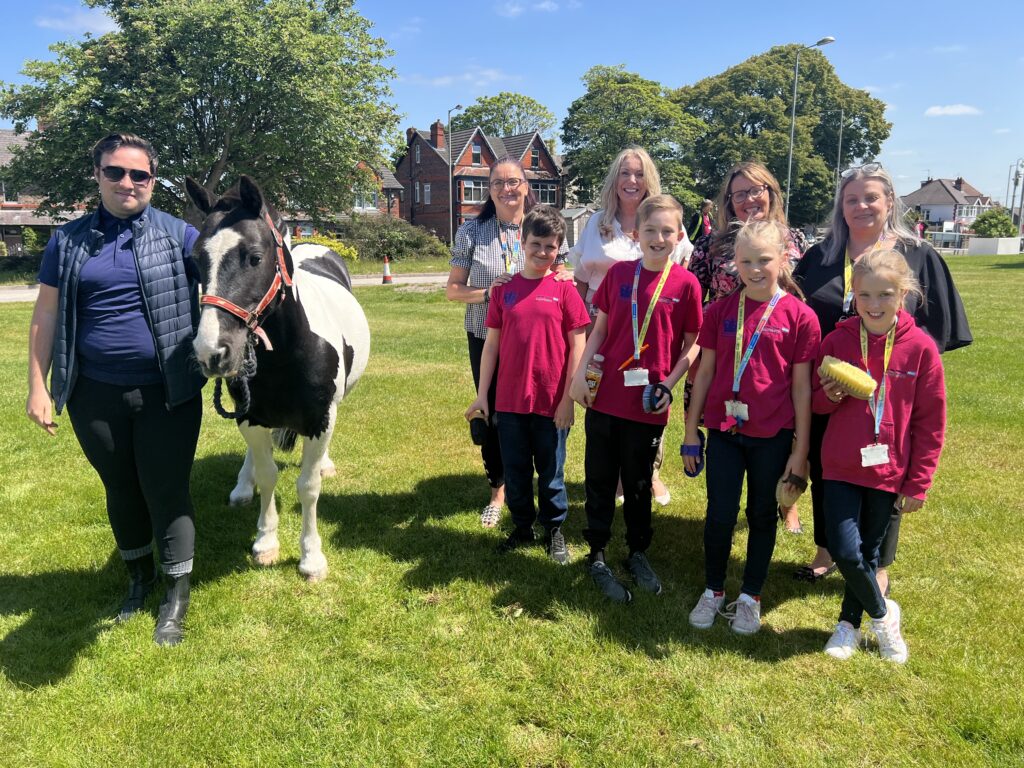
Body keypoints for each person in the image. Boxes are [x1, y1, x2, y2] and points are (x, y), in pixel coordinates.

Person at [26, 132, 205, 647]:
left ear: (153, 179)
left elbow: (228, 275)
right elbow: (46, 313)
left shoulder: (179, 235)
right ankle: (139, 579)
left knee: (166, 490)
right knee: (121, 486)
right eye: (115, 172)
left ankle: (175, 596)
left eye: (140, 174)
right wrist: (38, 385)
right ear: (98, 176)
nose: (128, 183)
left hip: (168, 392)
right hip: (94, 394)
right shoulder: (68, 239)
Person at [793, 162, 971, 590]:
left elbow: (933, 330)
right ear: (841, 206)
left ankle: (880, 563)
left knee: (886, 471)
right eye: (851, 199)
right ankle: (825, 550)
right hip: (830, 386)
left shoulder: (917, 255)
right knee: (825, 464)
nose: (861, 206)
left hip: (888, 395)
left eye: (871, 197)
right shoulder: (822, 255)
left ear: (890, 201)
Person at [683, 219, 820, 635]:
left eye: (764, 259)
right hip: (724, 433)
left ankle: (750, 595)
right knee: (719, 515)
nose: (755, 269)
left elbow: (801, 390)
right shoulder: (721, 311)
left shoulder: (800, 317)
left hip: (772, 437)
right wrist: (691, 432)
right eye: (746, 261)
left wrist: (799, 451)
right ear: (733, 264)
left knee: (761, 515)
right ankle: (713, 590)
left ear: (783, 259)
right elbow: (703, 374)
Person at [569, 195, 702, 603]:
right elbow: (600, 330)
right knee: (600, 478)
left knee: (640, 482)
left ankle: (638, 551)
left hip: (648, 403)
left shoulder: (686, 284)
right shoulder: (619, 275)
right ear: (636, 234)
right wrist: (579, 376)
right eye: (650, 231)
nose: (658, 238)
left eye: (667, 231)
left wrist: (671, 383)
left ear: (679, 236)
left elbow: (693, 344)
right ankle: (597, 551)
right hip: (607, 399)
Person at [814, 249, 946, 663]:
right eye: (864, 294)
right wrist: (830, 394)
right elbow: (817, 404)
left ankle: (847, 626)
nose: (873, 305)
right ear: (852, 293)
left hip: (888, 468)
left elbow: (930, 421)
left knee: (869, 554)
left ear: (904, 293)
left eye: (885, 295)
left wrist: (919, 482)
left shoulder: (921, 349)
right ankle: (884, 613)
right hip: (838, 465)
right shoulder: (837, 340)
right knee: (845, 550)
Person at [687, 161, 809, 534]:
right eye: (739, 194)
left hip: (775, 355)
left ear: (771, 193)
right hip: (723, 354)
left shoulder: (795, 240)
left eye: (756, 190)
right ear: (728, 201)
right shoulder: (712, 244)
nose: (749, 199)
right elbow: (691, 295)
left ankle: (785, 502)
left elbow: (806, 299)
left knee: (781, 433)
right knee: (723, 432)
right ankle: (722, 502)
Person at [447, 156, 569, 529]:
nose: (506, 189)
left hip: (535, 341)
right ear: (489, 189)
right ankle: (498, 490)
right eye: (498, 183)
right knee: (493, 413)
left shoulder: (542, 225)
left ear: (526, 185)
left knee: (536, 413)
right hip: (487, 336)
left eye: (513, 181)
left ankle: (543, 487)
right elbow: (453, 290)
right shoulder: (472, 231)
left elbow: (561, 274)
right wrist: (490, 294)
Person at [568, 146, 692, 506]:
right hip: (601, 324)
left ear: (649, 179)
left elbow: (680, 270)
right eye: (625, 173)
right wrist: (579, 329)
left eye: (639, 174)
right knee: (604, 399)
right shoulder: (596, 222)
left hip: (653, 329)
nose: (631, 181)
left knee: (649, 395)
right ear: (614, 179)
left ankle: (648, 472)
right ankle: (615, 474)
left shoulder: (665, 220)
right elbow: (579, 279)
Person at [465, 206, 589, 564]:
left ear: (559, 249)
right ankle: (522, 527)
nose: (542, 252)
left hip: (552, 403)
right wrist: (482, 396)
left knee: (551, 472)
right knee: (517, 472)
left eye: (551, 247)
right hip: (509, 402)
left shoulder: (564, 290)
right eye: (536, 244)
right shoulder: (505, 290)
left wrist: (568, 398)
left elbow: (578, 344)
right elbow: (491, 345)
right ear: (522, 242)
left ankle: (554, 530)